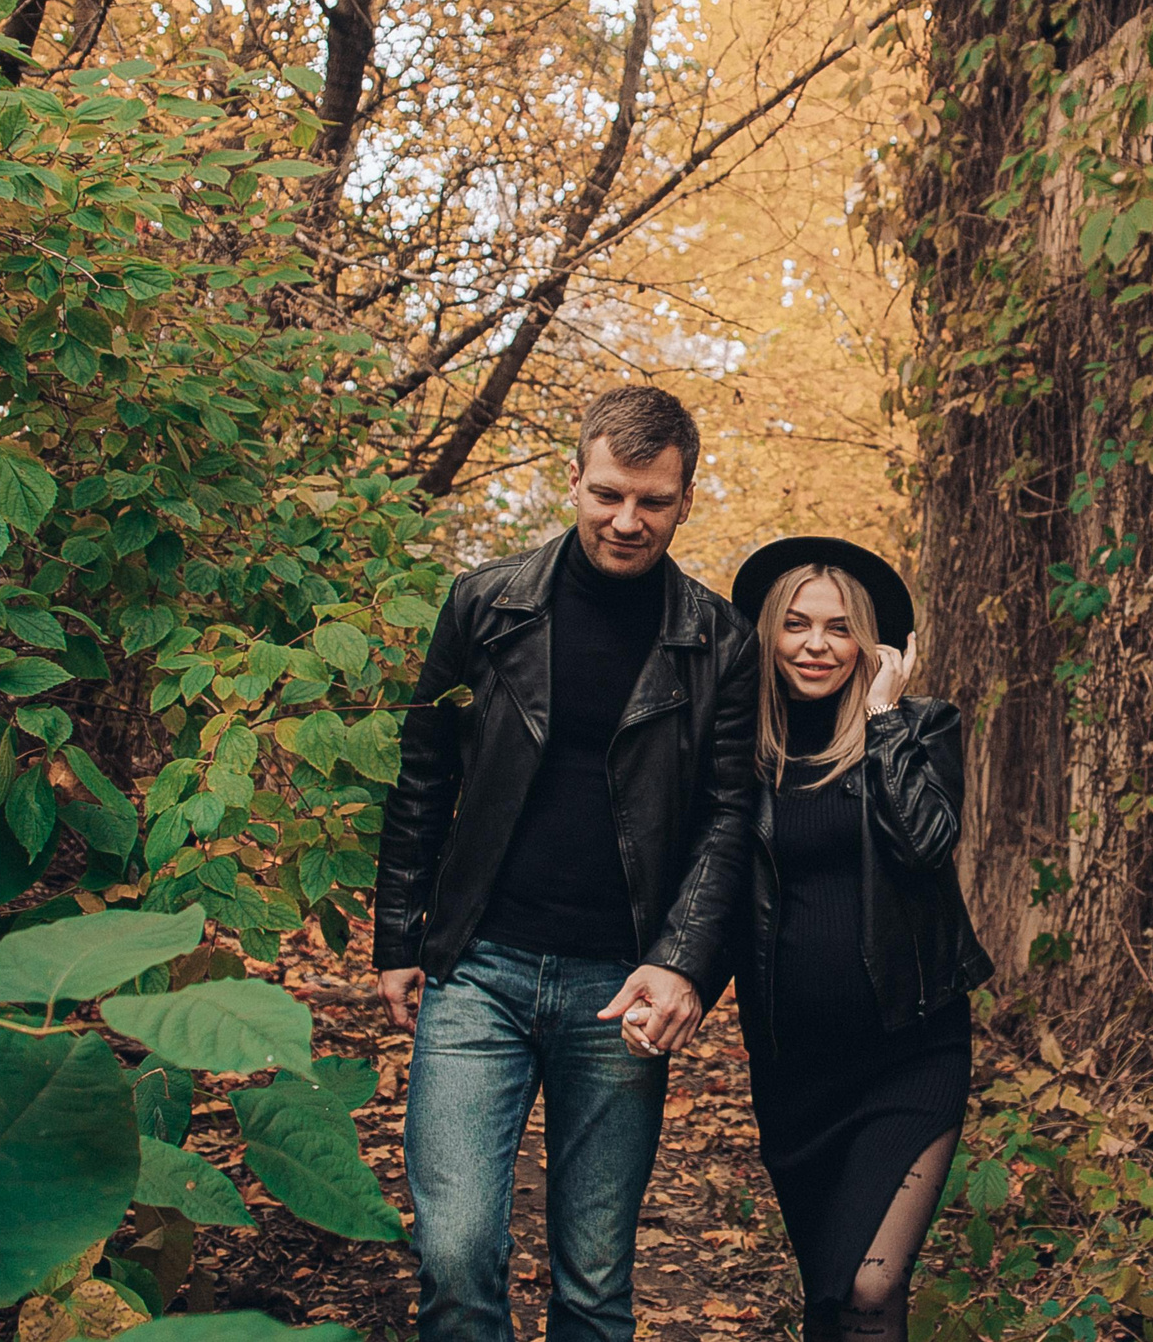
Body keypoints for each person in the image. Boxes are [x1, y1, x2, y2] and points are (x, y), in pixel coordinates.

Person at [374, 385, 758, 1342]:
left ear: (685, 498)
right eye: (608, 494)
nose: (627, 521)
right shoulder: (485, 602)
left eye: (653, 501)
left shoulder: (720, 641)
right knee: (456, 1253)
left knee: (593, 1283)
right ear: (575, 480)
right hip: (480, 968)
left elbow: (728, 815)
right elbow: (425, 772)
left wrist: (681, 963)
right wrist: (398, 935)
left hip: (618, 986)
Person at [700, 537, 994, 1342]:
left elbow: (929, 843)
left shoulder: (922, 727)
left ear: (869, 641)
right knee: (827, 1295)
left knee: (872, 1285)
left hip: (908, 1051)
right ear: (768, 633)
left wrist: (884, 720)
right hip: (795, 1069)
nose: (816, 644)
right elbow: (718, 892)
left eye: (838, 627)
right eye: (796, 624)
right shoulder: (743, 751)